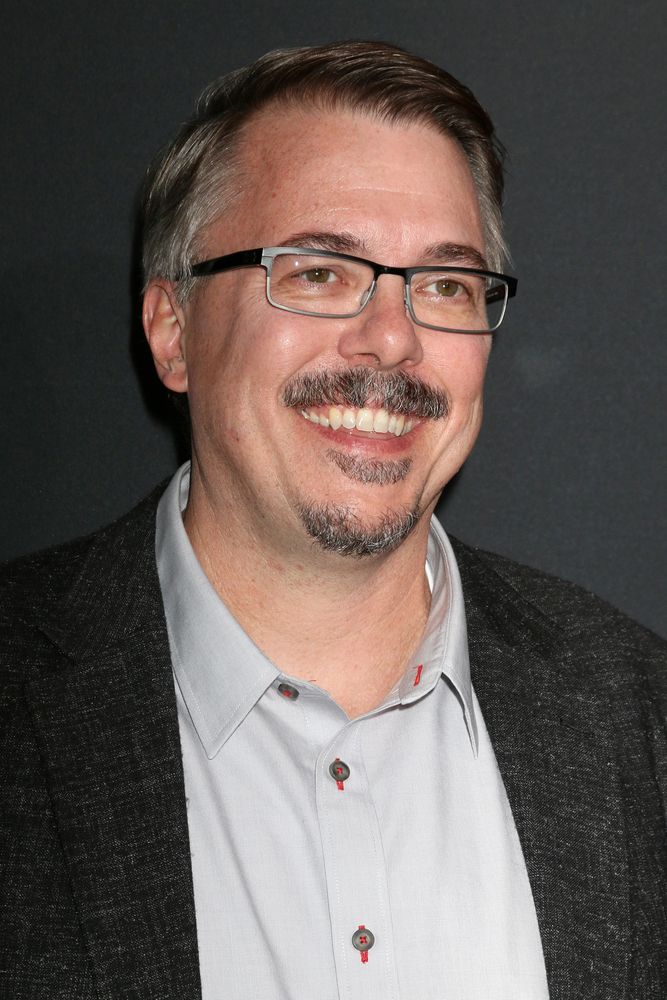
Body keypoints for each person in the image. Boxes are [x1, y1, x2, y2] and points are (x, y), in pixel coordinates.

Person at [1, 40, 664, 1000]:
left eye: (443, 285)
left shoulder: (635, 719)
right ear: (173, 331)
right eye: (317, 272)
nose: (392, 337)